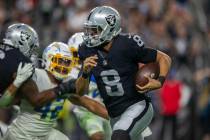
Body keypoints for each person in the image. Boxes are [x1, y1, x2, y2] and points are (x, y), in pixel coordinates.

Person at [76, 6, 172, 140]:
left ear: (109, 29)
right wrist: (85, 73)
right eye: (89, 30)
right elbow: (80, 92)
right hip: (114, 115)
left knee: (119, 137)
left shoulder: (127, 44)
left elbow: (164, 58)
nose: (90, 35)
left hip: (137, 106)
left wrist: (160, 81)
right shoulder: (87, 50)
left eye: (95, 31)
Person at [3, 42, 108, 140]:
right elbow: (35, 101)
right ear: (48, 59)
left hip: (45, 134)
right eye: (60, 61)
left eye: (67, 62)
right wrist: (61, 89)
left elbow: (89, 103)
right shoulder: (35, 76)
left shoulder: (66, 81)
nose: (63, 65)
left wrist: (114, 114)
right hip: (21, 134)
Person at [68, 32, 111, 140]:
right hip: (86, 111)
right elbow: (82, 100)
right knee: (97, 136)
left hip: (105, 107)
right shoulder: (69, 73)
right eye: (76, 54)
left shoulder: (100, 65)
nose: (79, 57)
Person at [0, 23, 38, 108]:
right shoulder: (23, 62)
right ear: (22, 41)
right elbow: (2, 103)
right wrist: (17, 83)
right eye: (31, 46)